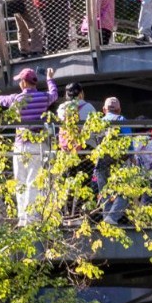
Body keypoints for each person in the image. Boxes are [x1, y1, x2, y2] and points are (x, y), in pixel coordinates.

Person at [0, 66, 58, 225]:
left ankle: (24, 218)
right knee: (33, 181)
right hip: (37, 145)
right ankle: (32, 217)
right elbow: (54, 94)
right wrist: (50, 78)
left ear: (24, 83)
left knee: (20, 183)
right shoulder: (44, 98)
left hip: (20, 146)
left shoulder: (16, 99)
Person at [56, 82, 96, 218]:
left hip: (67, 150)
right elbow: (95, 128)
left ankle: (66, 213)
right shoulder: (89, 107)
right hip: (85, 148)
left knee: (68, 181)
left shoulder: (61, 108)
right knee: (85, 182)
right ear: (81, 93)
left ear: (66, 94)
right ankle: (81, 214)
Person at [98, 96, 130, 225]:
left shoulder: (99, 122)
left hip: (101, 160)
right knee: (124, 190)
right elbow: (128, 141)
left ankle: (106, 217)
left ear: (104, 110)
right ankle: (112, 217)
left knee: (104, 190)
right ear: (119, 110)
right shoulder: (121, 119)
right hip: (119, 161)